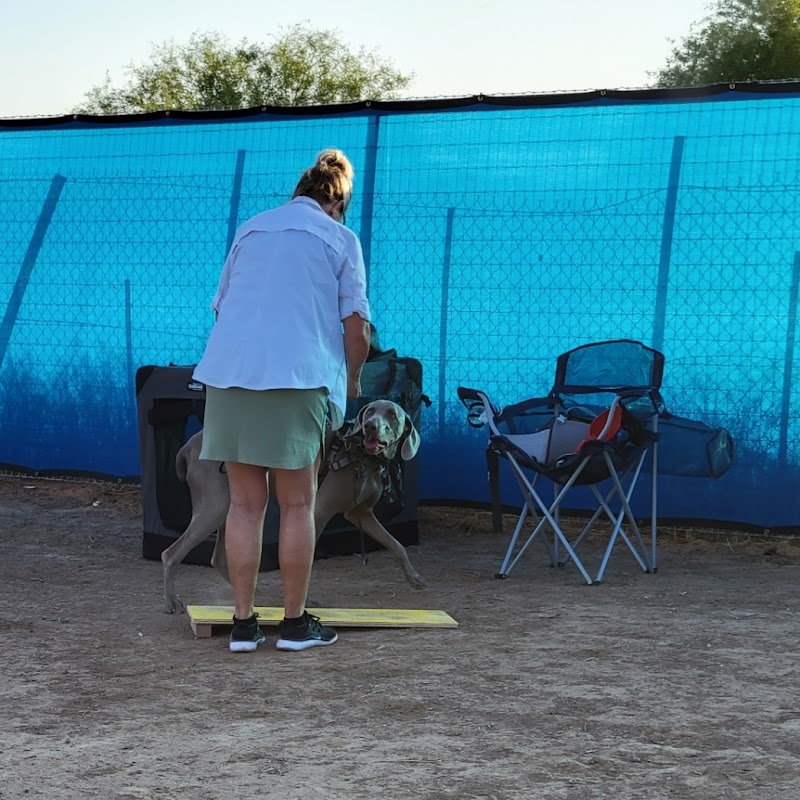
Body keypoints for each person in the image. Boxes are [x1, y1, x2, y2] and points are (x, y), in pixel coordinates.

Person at [192, 149, 371, 653]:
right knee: (298, 504)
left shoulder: (251, 229)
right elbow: (356, 331)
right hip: (296, 378)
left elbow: (224, 305)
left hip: (229, 375)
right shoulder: (340, 238)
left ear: (300, 191)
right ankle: (294, 625)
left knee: (245, 505)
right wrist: (353, 381)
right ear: (338, 203)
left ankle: (244, 626)